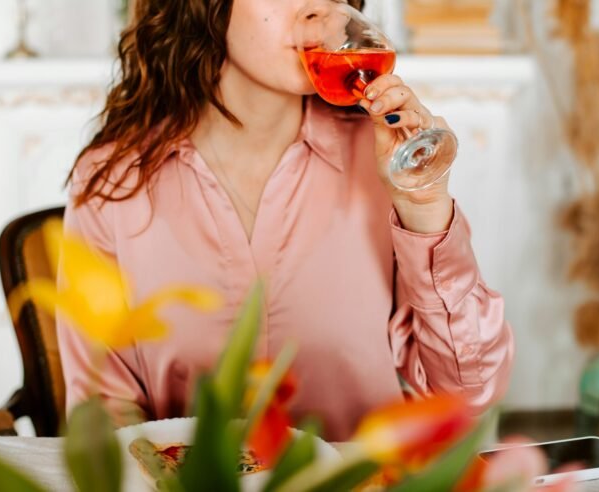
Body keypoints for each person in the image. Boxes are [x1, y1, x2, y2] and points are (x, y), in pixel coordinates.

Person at [57, 0, 514, 441]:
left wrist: (425, 208)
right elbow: (105, 411)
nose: (318, 9)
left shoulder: (385, 163)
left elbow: (468, 397)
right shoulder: (112, 184)